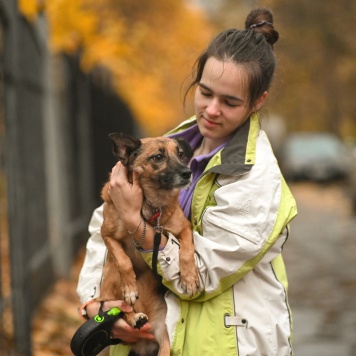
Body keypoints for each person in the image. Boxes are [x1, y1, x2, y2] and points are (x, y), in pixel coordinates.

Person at [76, 7, 297, 356]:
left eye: (229, 102)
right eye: (205, 92)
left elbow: (198, 279)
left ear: (258, 102)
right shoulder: (170, 146)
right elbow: (102, 226)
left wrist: (135, 221)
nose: (211, 109)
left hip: (223, 345)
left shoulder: (256, 182)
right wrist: (96, 304)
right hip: (148, 336)